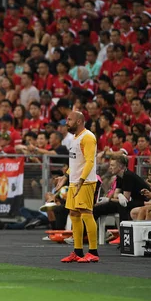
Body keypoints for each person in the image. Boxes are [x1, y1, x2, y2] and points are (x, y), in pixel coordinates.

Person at [54, 111, 100, 263]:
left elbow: (90, 161)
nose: (67, 122)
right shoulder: (75, 138)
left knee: (86, 213)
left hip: (85, 182)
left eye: (69, 119)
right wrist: (65, 177)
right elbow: (75, 163)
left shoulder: (88, 137)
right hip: (74, 182)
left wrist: (81, 179)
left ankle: (93, 251)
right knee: (74, 214)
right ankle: (78, 251)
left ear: (79, 121)